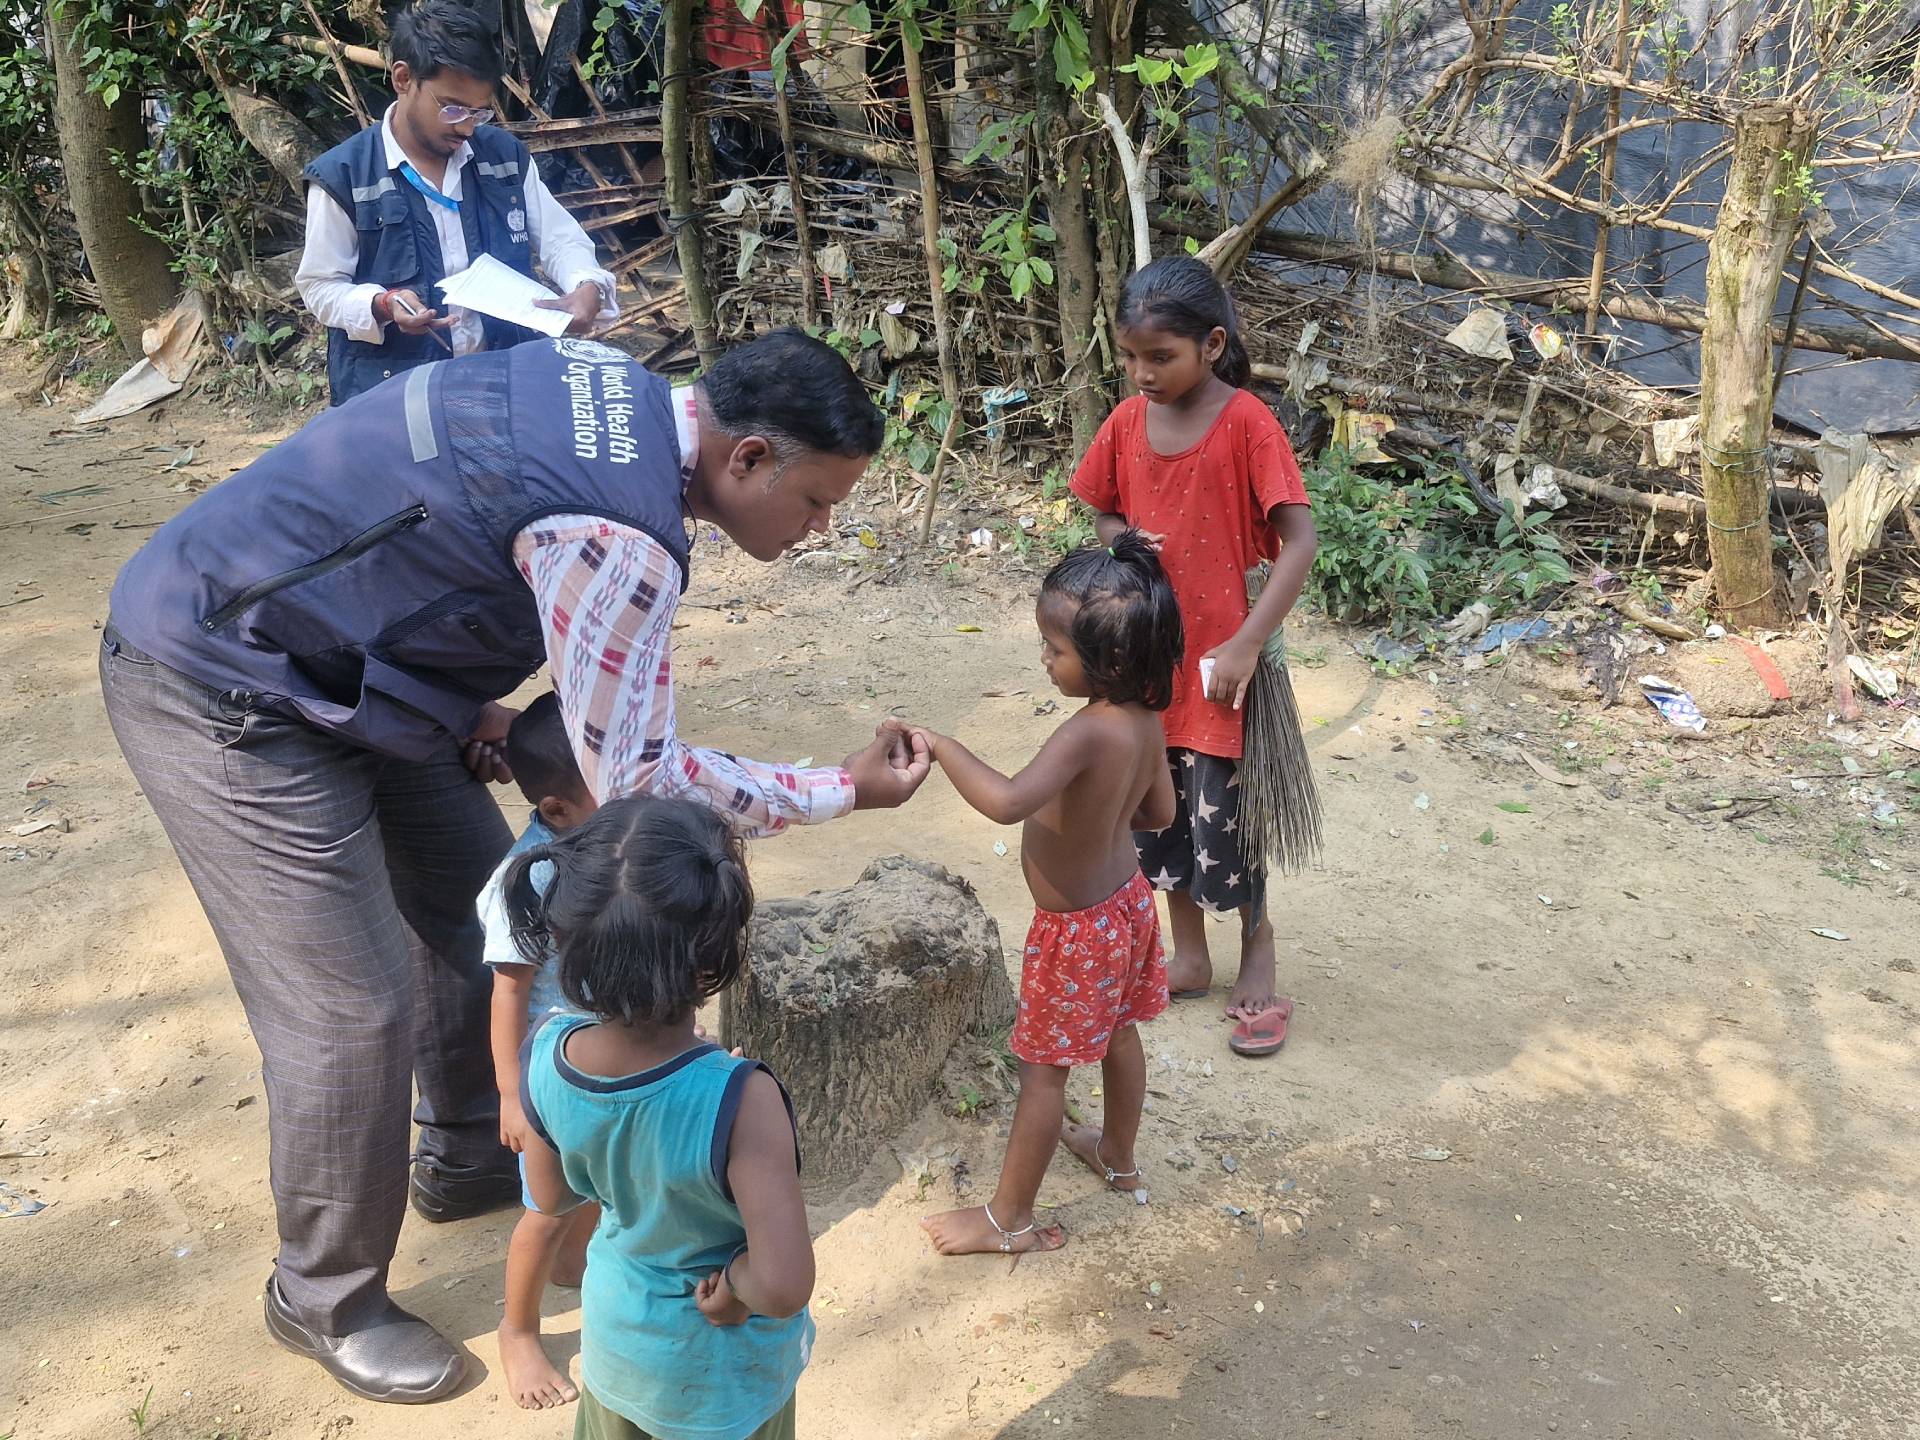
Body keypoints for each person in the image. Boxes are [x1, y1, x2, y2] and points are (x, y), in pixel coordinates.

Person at [99, 329, 928, 1404]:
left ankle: (467, 1153)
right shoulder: (620, 532)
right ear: (750, 457)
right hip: (222, 682)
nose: (819, 531)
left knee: (492, 916)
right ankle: (325, 1295)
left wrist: (469, 706)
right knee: (348, 1010)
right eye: (817, 503)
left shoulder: (613, 390)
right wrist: (840, 788)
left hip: (353, 678)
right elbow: (636, 783)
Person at [1069, 256, 1319, 1060]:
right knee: (1158, 813)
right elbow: (1104, 510)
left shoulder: (1248, 423)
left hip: (1225, 670)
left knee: (1229, 819)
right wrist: (1121, 542)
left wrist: (1247, 643)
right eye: (1131, 356)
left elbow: (1299, 540)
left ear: (1213, 344)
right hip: (1150, 666)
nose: (1143, 373)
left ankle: (1256, 946)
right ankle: (1189, 955)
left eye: (1161, 357)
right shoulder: (1124, 423)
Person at [511, 796, 814, 1440]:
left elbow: (552, 1193)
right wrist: (734, 1286)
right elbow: (783, 1284)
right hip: (719, 1383)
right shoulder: (743, 1099)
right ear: (714, 956)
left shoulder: (545, 1052)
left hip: (620, 1352)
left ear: (568, 943)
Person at [917, 535, 1181, 1255]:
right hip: (1127, 905)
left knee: (1043, 1076)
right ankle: (1119, 1159)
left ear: (1112, 660)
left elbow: (1006, 803)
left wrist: (943, 746)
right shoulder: (1146, 721)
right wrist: (1099, 820)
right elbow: (1159, 815)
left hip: (1076, 935)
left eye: (1055, 648)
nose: (1044, 658)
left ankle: (1008, 1219)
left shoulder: (1085, 733)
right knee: (1119, 1035)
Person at [295, 0, 617, 406]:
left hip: (500, 385)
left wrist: (585, 284)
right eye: (452, 108)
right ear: (402, 78)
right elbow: (321, 288)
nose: (466, 126)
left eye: (479, 113)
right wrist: (382, 303)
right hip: (393, 399)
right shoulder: (344, 175)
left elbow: (560, 240)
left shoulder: (503, 158)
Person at [478, 693, 600, 1409]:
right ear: (556, 810)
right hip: (550, 1077)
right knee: (547, 1206)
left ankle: (577, 1263)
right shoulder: (530, 878)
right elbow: (509, 994)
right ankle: (518, 1332)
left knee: (594, 1182)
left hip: (605, 1058)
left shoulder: (602, 843)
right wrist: (508, 1094)